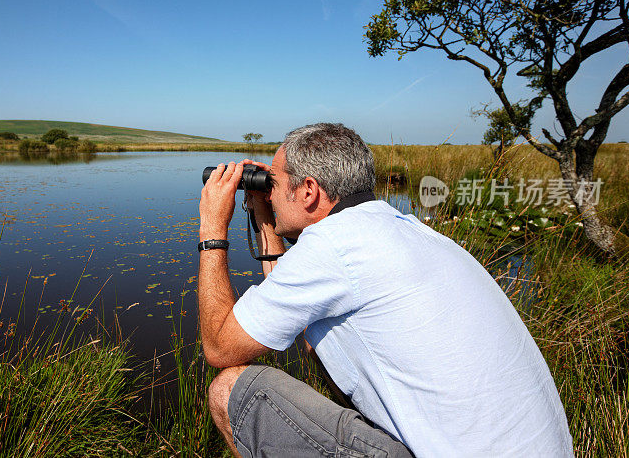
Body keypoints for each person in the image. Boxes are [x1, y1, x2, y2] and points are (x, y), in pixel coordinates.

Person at [198, 123, 573, 457]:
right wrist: (265, 216)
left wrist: (212, 228)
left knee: (230, 390)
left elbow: (220, 347)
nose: (270, 193)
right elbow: (285, 308)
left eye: (274, 184)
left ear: (309, 190)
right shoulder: (405, 228)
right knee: (319, 338)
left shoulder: (332, 245)